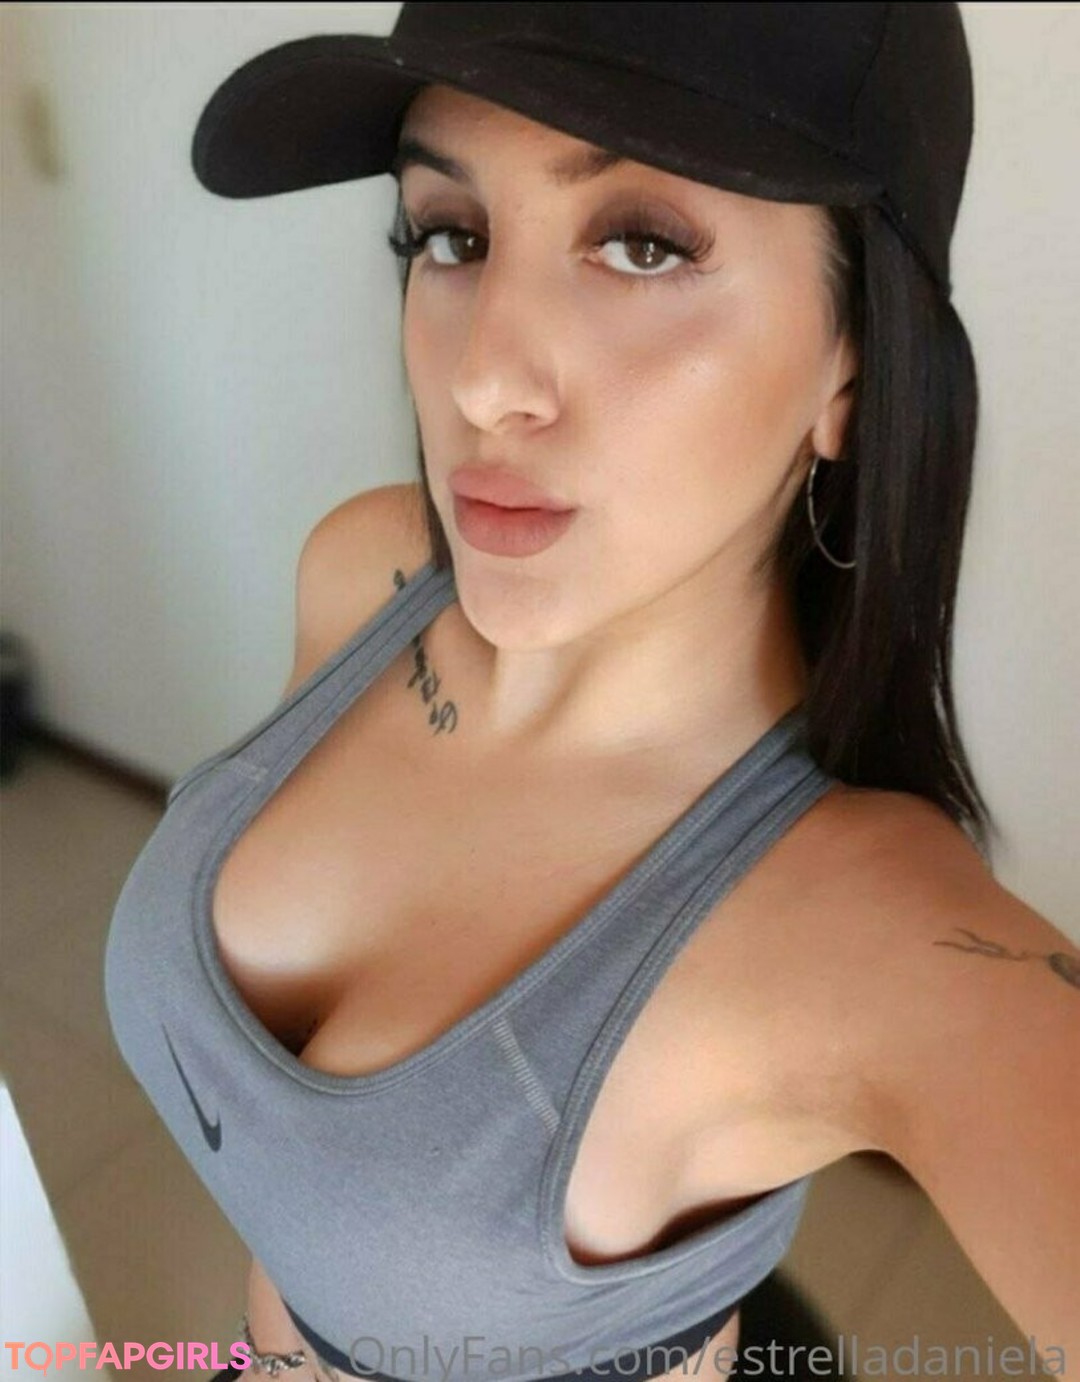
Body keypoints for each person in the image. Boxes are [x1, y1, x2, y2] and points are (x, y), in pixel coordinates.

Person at [104, 6, 1080, 1382]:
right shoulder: (365, 572)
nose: (484, 381)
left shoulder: (880, 940)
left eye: (643, 247)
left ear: (852, 369)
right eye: (450, 235)